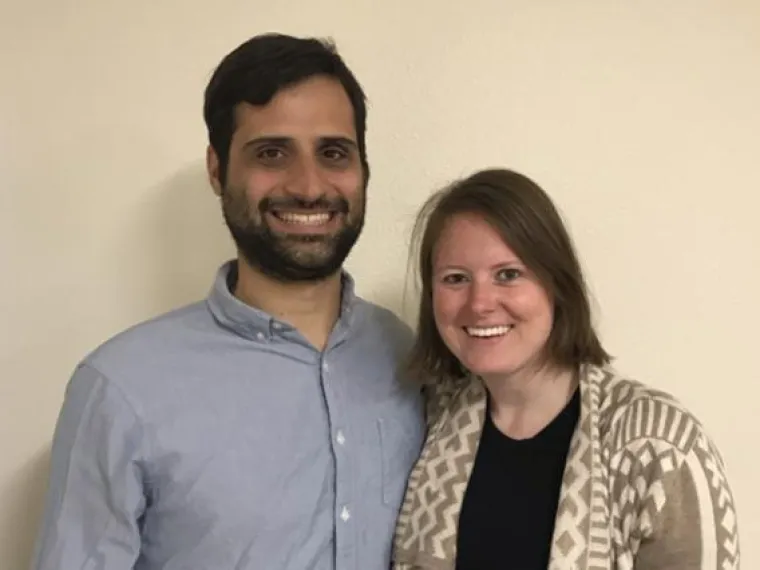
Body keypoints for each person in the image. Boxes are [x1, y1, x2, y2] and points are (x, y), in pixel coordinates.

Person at [30, 33, 425, 570]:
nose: (309, 185)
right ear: (217, 171)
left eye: (333, 152)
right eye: (271, 153)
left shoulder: (406, 353)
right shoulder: (119, 391)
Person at [391, 168, 740, 570]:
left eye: (509, 274)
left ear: (557, 284)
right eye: (456, 279)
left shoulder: (660, 446)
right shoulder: (428, 421)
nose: (480, 303)